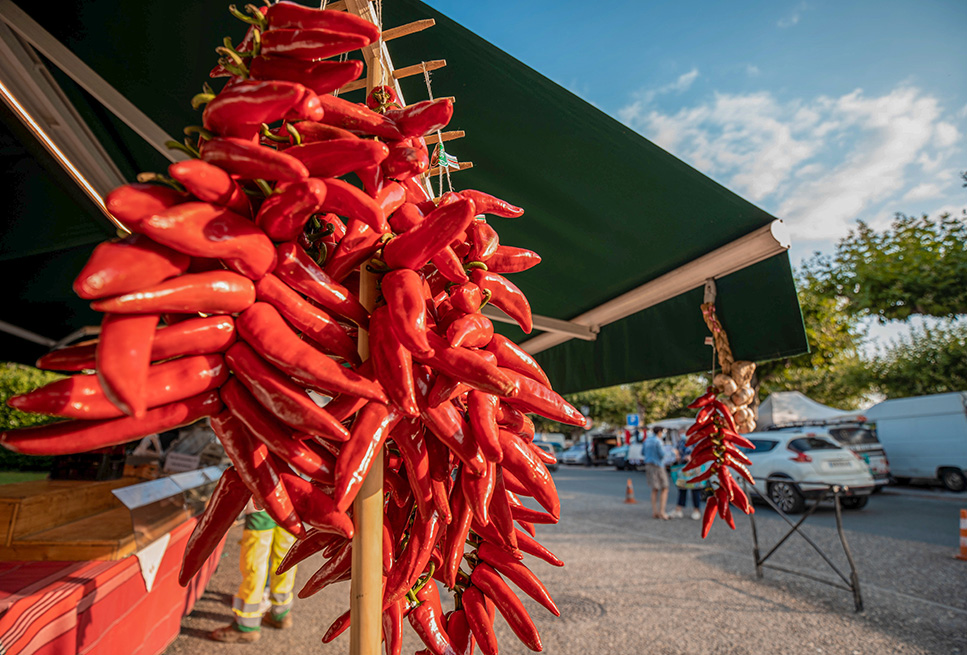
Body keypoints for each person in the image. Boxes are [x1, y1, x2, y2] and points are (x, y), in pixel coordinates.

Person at [208, 500, 298, 643]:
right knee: (286, 558)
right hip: (293, 506)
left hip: (263, 504)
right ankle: (281, 614)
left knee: (255, 562)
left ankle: (245, 626)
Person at [669, 433, 704, 520]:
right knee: (682, 488)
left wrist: (692, 457)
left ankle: (696, 510)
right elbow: (677, 451)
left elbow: (702, 454)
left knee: (695, 489)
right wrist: (677, 455)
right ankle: (678, 509)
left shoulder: (697, 442)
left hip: (694, 469)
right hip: (683, 468)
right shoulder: (681, 442)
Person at [642, 427, 671, 519]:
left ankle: (655, 512)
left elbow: (642, 452)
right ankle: (662, 512)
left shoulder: (647, 440)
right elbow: (662, 454)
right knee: (665, 487)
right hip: (658, 465)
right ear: (659, 432)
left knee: (654, 489)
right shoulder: (658, 441)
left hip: (648, 465)